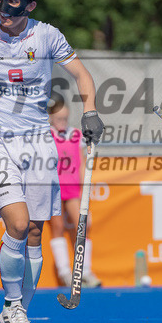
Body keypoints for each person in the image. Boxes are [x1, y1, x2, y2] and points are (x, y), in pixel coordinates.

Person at [0, 0, 104, 323]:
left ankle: (19, 314)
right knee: (16, 222)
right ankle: (12, 305)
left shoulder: (47, 36)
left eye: (14, 8)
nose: (5, 15)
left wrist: (90, 110)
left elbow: (81, 75)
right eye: (0, 5)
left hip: (38, 142)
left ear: (29, 6)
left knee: (34, 231)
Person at [46, 96, 101, 288]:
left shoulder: (76, 135)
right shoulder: (47, 135)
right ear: (51, 118)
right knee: (58, 227)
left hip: (71, 187)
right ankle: (64, 273)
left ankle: (85, 272)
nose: (62, 122)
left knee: (83, 225)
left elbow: (82, 164)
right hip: (52, 188)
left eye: (65, 118)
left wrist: (86, 188)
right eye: (58, 118)